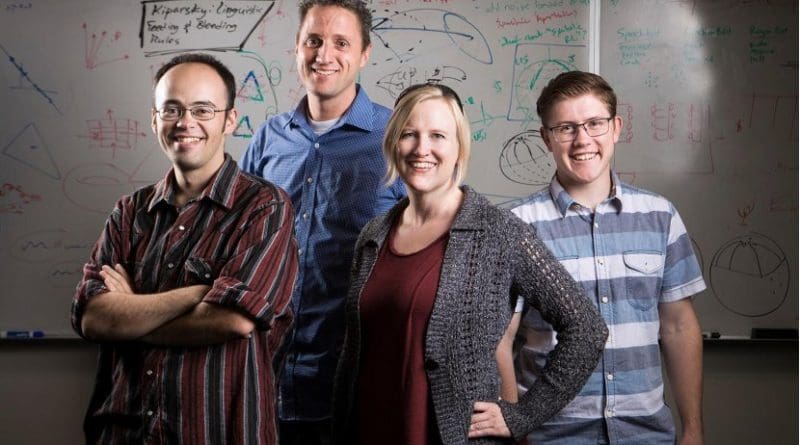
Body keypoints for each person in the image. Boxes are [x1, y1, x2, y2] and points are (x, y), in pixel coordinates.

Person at [332, 83, 609, 445]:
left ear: (459, 147)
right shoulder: (373, 236)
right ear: (392, 144)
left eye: (438, 136)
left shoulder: (500, 232)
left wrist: (522, 415)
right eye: (409, 134)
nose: (422, 148)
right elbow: (356, 352)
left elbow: (586, 329)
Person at [71, 53, 298, 444]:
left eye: (202, 109)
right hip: (125, 431)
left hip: (218, 431)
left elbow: (235, 319)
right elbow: (93, 318)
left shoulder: (265, 206)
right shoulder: (129, 212)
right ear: (155, 119)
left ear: (229, 119)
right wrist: (198, 294)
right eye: (171, 109)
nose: (185, 122)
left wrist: (132, 317)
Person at [239, 1, 405, 442]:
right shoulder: (267, 139)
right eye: (313, 40)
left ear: (365, 53)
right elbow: (236, 243)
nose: (323, 55)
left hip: (357, 378)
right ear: (296, 48)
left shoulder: (398, 139)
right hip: (263, 376)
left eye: (341, 42)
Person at [512, 71, 706, 445]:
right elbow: (500, 342)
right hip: (550, 435)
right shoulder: (517, 226)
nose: (583, 139)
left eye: (594, 124)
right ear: (546, 138)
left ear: (616, 128)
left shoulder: (660, 216)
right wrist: (514, 430)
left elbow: (679, 327)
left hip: (645, 434)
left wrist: (693, 429)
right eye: (566, 128)